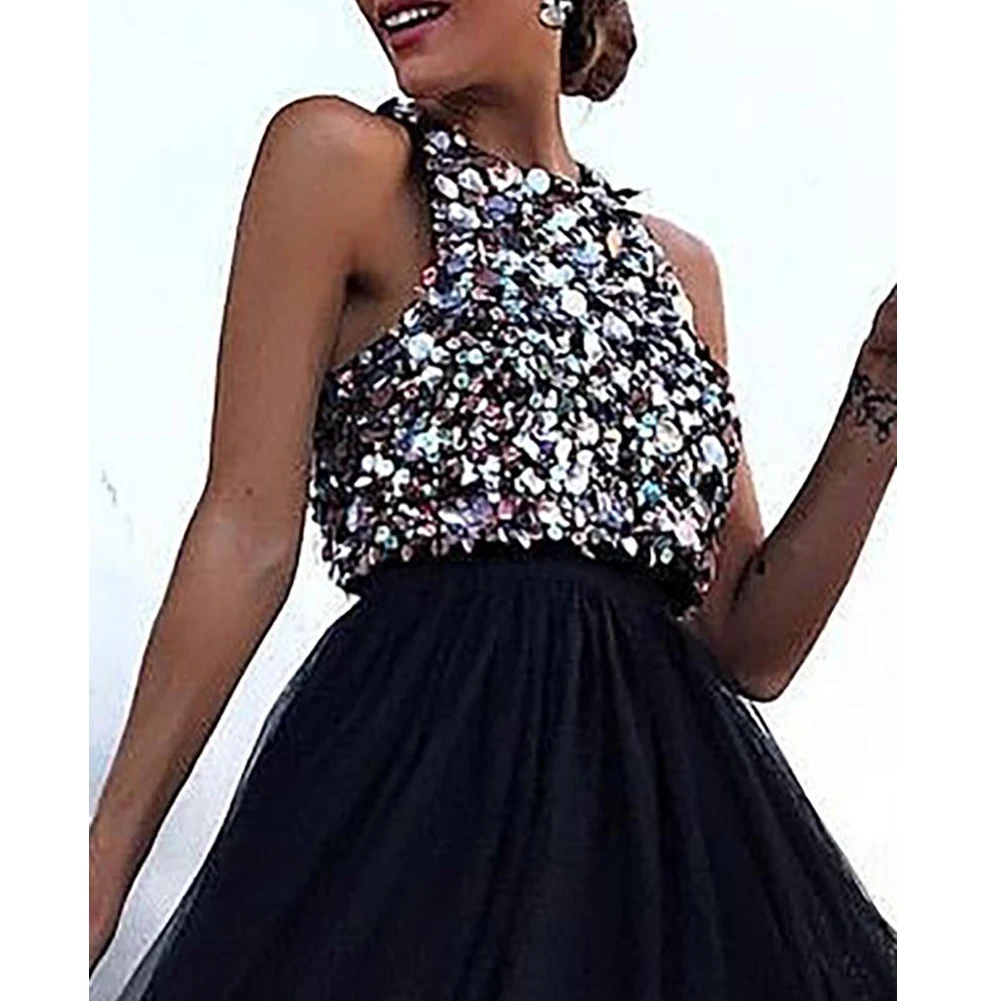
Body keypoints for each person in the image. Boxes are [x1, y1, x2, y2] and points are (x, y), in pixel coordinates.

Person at [89, 0, 897, 997]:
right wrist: (102, 858)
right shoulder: (341, 165)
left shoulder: (679, 274)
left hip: (659, 845)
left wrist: (887, 376)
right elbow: (244, 532)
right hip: (425, 795)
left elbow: (747, 641)